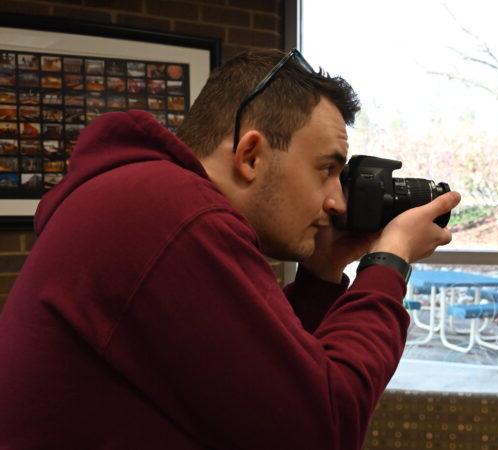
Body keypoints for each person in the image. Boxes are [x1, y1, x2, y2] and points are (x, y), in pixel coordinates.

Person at [0, 49, 460, 449]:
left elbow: (256, 393)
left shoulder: (147, 200)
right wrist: (388, 261)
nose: (337, 201)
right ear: (250, 155)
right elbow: (323, 431)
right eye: (326, 170)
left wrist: (321, 276)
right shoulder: (176, 215)